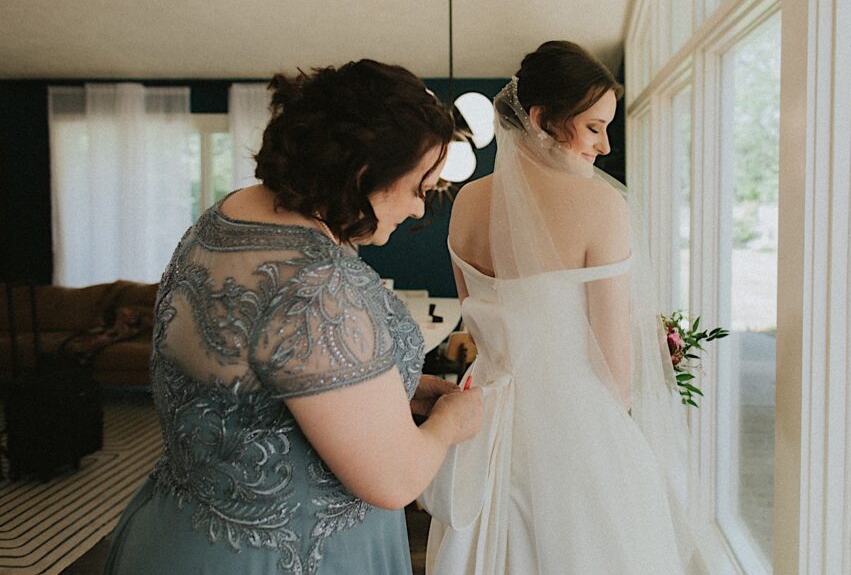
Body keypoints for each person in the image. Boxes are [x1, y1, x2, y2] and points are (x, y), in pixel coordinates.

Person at [104, 60, 483, 575]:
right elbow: (394, 481)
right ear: (363, 173)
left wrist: (397, 391)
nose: (420, 209)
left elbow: (257, 384)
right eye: (421, 186)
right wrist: (448, 423)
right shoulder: (316, 283)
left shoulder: (224, 218)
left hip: (176, 533)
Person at [420, 41, 700, 573]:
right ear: (544, 119)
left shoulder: (468, 201)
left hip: (484, 420)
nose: (604, 145)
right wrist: (620, 432)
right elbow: (613, 364)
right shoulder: (601, 205)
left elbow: (473, 320)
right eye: (593, 127)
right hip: (575, 425)